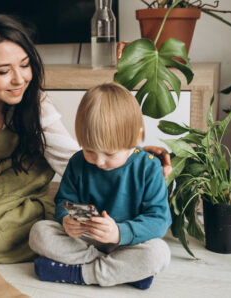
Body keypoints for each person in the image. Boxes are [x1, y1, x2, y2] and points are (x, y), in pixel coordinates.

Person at [0, 14, 171, 264]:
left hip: (17, 173)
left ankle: (86, 263)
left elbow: (71, 156)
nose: (20, 79)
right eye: (4, 71)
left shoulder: (35, 103)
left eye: (25, 65)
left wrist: (128, 156)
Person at [28, 82, 172, 290]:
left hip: (129, 241)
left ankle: (79, 273)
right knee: (39, 232)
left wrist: (119, 233)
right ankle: (123, 272)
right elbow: (63, 201)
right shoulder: (78, 162)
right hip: (87, 241)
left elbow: (158, 221)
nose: (99, 161)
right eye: (89, 150)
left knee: (158, 253)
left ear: (137, 137)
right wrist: (66, 220)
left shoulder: (149, 167)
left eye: (110, 154)